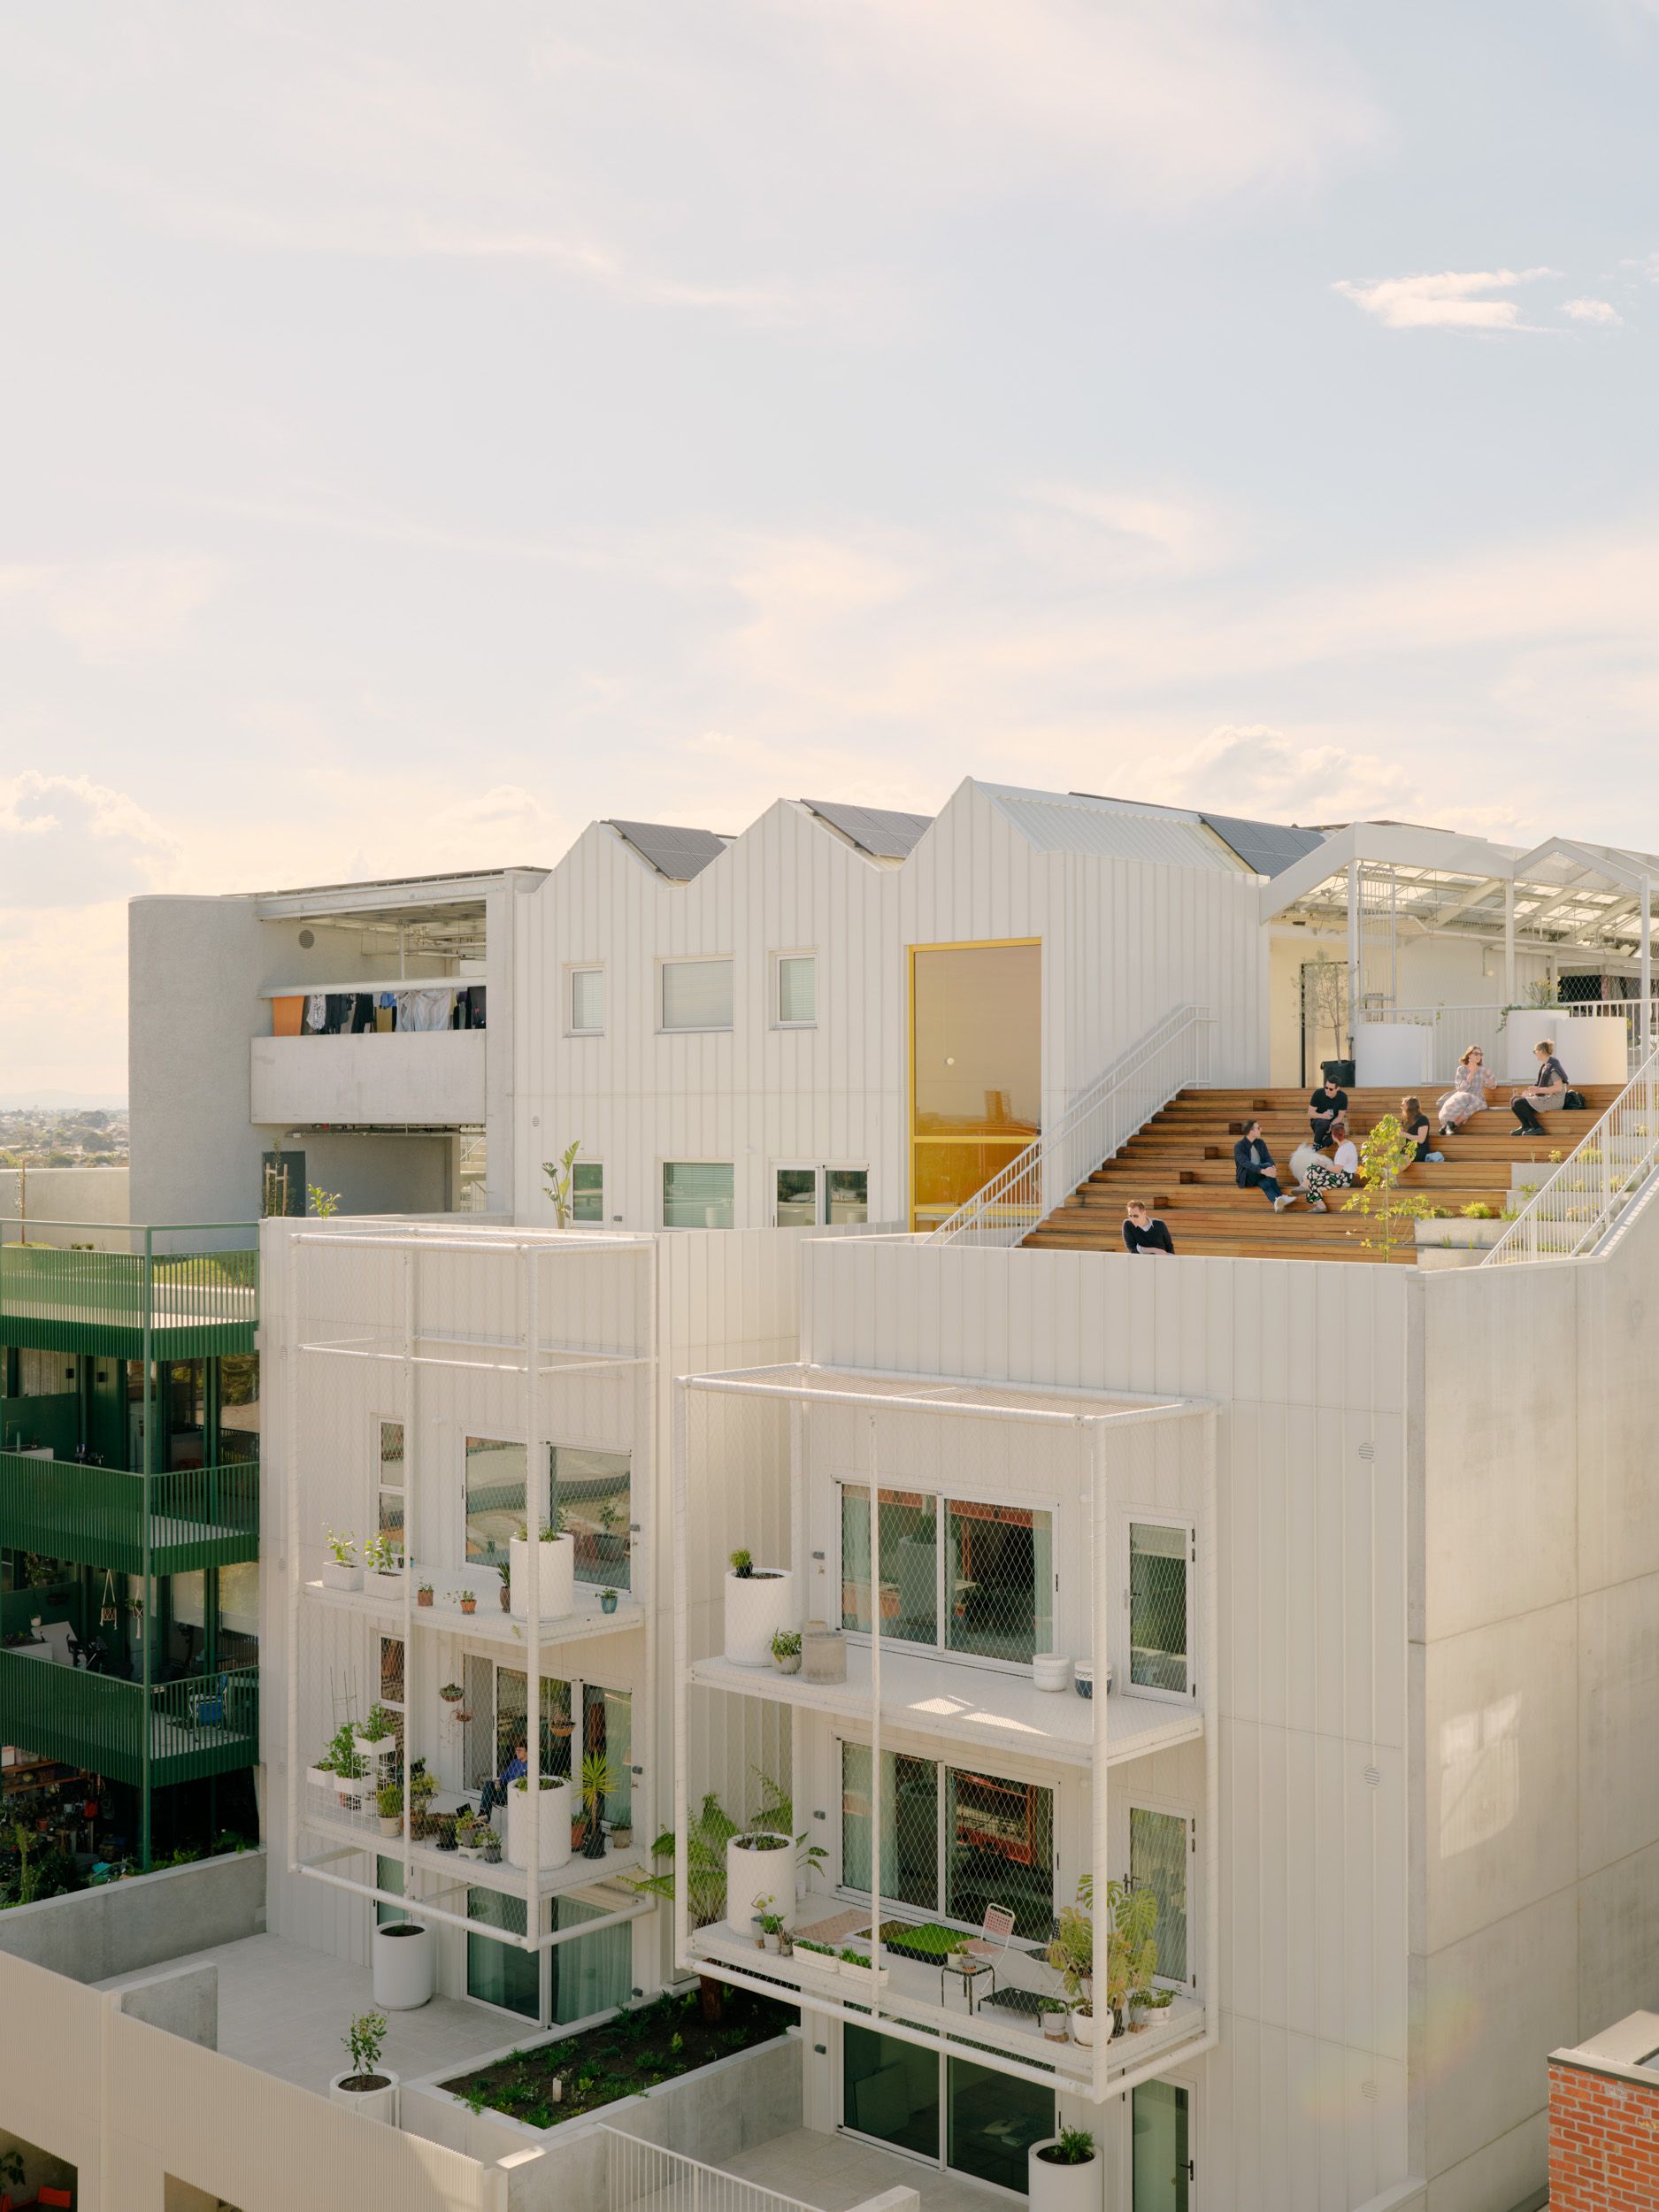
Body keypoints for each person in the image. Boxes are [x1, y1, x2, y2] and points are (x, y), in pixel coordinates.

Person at [1234, 1120, 1296, 1210]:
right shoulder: (1239, 1146)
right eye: (1258, 1128)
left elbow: (1267, 1157)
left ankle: (1276, 1201)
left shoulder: (1260, 1142)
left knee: (1265, 1183)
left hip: (1260, 1175)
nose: (1261, 1129)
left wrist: (1273, 1167)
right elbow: (1246, 1164)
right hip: (1246, 1177)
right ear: (1251, 1131)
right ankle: (1282, 1197)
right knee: (1267, 1166)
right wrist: (1264, 1171)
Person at [1511, 1040, 1568, 1133]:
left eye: (1535, 1051)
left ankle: (1537, 1127)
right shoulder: (1546, 1065)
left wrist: (1537, 1090)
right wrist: (1531, 1093)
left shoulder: (1553, 1067)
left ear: (1540, 1051)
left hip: (1554, 1100)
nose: (1535, 1053)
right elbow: (1542, 1088)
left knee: (1518, 1103)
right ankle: (1525, 1126)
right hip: (1547, 1097)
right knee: (1514, 1101)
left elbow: (1558, 1088)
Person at [1437, 1044, 1494, 1136]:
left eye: (1480, 1054)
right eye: (1476, 1054)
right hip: (1463, 1096)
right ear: (1469, 1055)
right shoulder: (1461, 1069)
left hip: (1478, 1097)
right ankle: (1448, 1126)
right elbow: (1460, 1088)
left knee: (1477, 1104)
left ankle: (1450, 1125)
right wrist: (1471, 1073)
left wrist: (1491, 1082)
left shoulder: (1484, 1070)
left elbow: (1492, 1086)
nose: (1479, 1056)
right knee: (1461, 1105)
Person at [1302, 1118, 1360, 1210]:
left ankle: (1320, 1205)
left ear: (1333, 1136)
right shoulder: (1350, 1144)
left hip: (1343, 1179)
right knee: (1312, 1166)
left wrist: (1324, 1165)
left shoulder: (1342, 1150)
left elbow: (1337, 1170)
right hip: (1343, 1174)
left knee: (1312, 1181)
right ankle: (1305, 1184)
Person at [480, 1737, 529, 1816]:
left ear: (527, 1751)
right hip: (502, 1791)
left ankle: (483, 1817)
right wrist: (497, 1784)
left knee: (488, 1796)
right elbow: (505, 1776)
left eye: (520, 1750)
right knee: (489, 1784)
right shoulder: (515, 1762)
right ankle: (483, 1813)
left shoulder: (529, 1765)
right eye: (516, 1750)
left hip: (513, 1794)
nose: (517, 1752)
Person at [1400, 1096, 1444, 1165]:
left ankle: (1390, 1174)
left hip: (1419, 1150)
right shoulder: (1406, 1121)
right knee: (1396, 1158)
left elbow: (1421, 1139)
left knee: (1405, 1158)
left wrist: (1404, 1134)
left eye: (1403, 1105)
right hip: (1407, 1149)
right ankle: (1389, 1173)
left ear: (1410, 1106)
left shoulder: (1422, 1119)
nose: (1401, 1106)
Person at [1309, 1076, 1348, 1144]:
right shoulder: (1318, 1093)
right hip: (1319, 1123)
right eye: (1326, 1088)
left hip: (1334, 1123)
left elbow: (1340, 1117)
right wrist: (1322, 1116)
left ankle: (1315, 1148)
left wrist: (1331, 1125)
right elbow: (1310, 1113)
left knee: (1340, 1132)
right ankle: (1316, 1143)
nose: (1327, 1090)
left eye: (1331, 1089)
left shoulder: (1343, 1097)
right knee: (1323, 1123)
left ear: (1338, 1088)